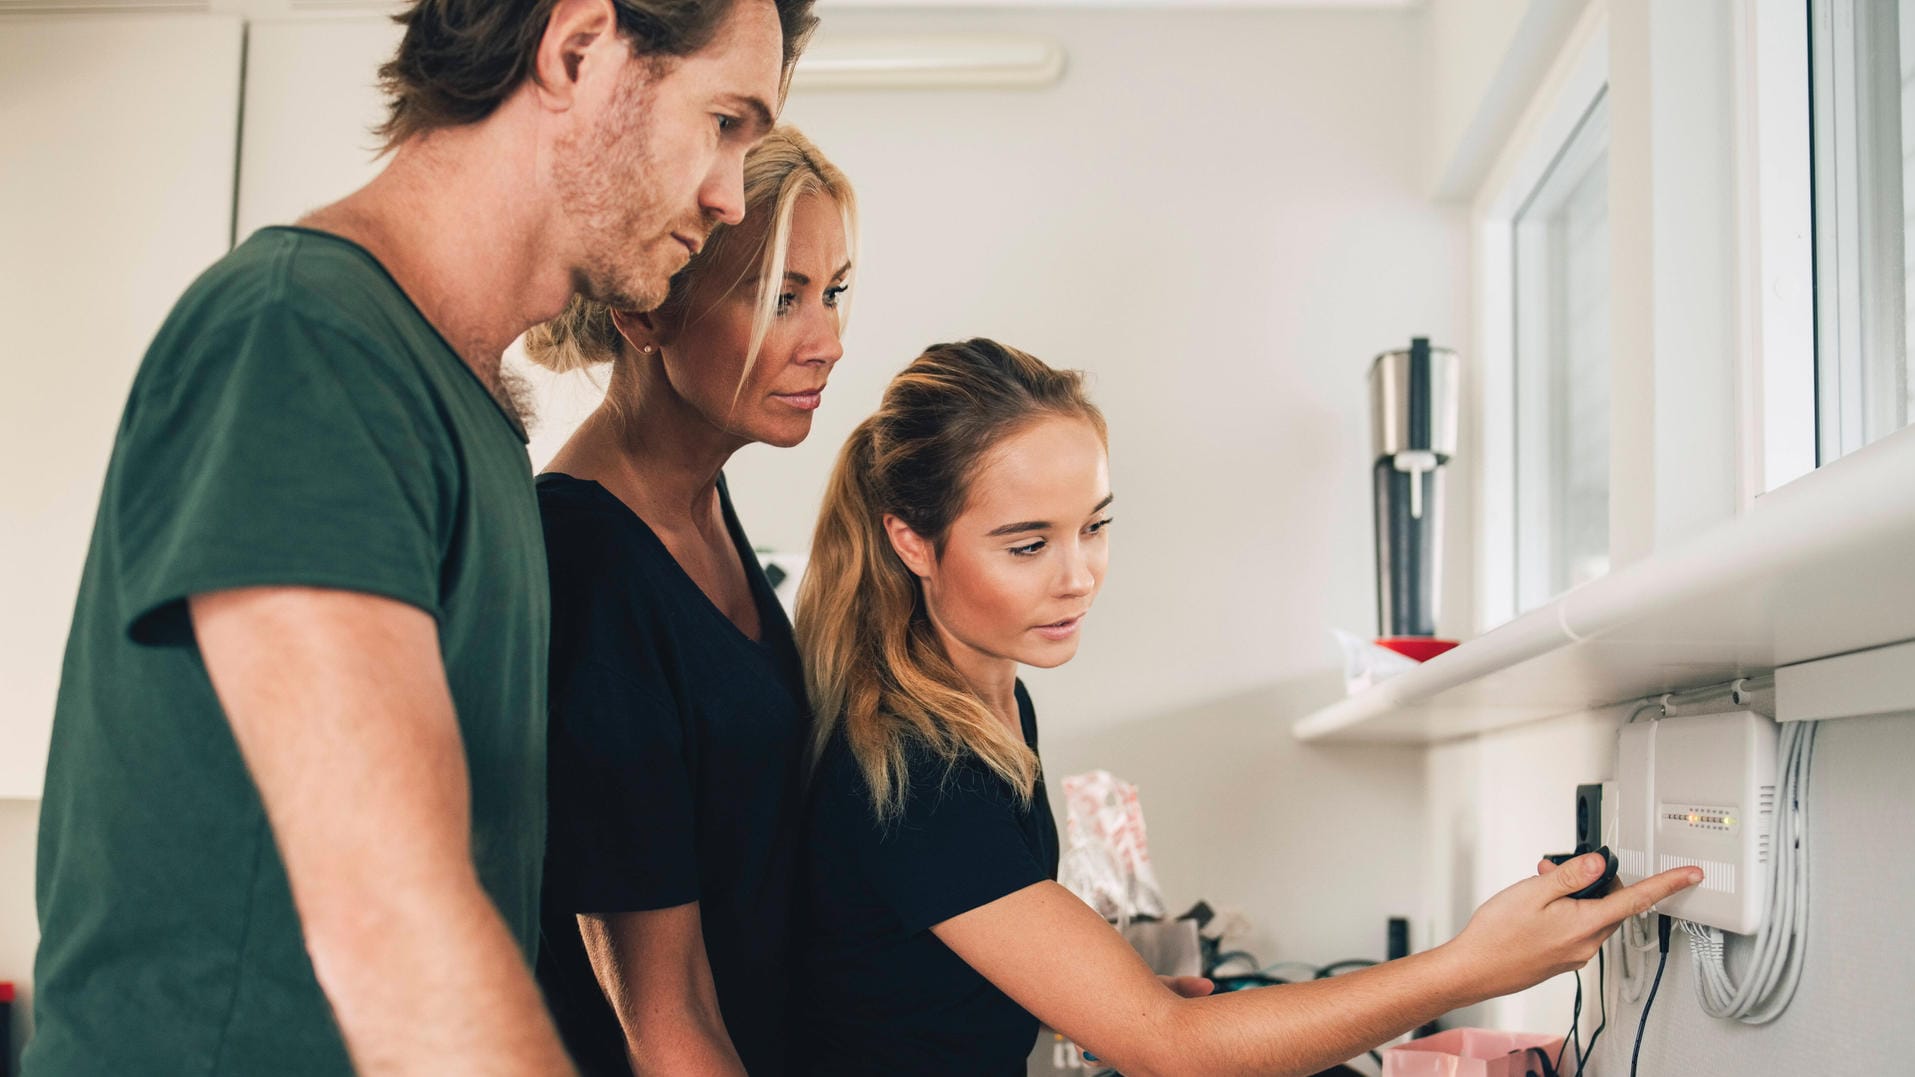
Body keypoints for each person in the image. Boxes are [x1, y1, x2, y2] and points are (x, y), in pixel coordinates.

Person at [26, 2, 816, 1073]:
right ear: (578, 49)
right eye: (724, 122)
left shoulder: (477, 416)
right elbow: (393, 924)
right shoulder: (305, 339)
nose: (729, 197)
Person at [787, 339, 1704, 1076]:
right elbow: (1169, 1051)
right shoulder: (912, 765)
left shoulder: (987, 705)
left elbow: (923, 995)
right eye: (1027, 544)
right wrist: (1470, 967)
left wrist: (1107, 1004)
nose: (1079, 577)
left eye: (1096, 525)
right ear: (912, 541)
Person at [520, 124, 854, 1077]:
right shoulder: (586, 562)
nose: (827, 341)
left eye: (832, 293)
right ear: (644, 310)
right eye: (780, 296)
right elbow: (660, 1018)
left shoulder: (699, 499)